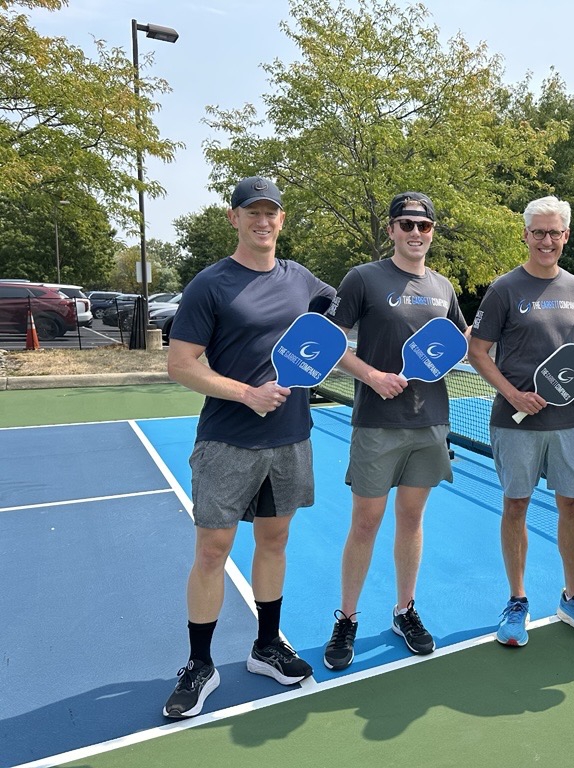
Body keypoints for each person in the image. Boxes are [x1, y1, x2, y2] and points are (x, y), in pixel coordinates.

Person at [162, 176, 336, 718]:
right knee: (212, 551)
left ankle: (266, 646)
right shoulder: (210, 285)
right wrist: (246, 393)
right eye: (252, 211)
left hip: (291, 440)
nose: (263, 221)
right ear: (234, 218)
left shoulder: (301, 279)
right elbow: (181, 364)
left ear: (282, 220)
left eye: (272, 212)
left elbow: (339, 318)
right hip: (227, 440)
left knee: (275, 542)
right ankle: (199, 665)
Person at [322, 192, 468, 670]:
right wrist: (372, 376)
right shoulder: (363, 278)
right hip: (377, 424)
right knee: (365, 522)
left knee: (411, 519)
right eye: (406, 224)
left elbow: (459, 343)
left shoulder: (444, 287)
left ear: (432, 232)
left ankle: (405, 611)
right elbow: (329, 341)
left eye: (424, 226)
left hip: (430, 423)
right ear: (391, 230)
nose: (415, 233)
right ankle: (346, 619)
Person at [467, 195, 574, 647]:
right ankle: (517, 601)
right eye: (539, 232)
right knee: (517, 506)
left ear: (566, 236)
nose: (546, 240)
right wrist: (513, 395)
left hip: (568, 422)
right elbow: (477, 352)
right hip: (514, 423)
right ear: (525, 235)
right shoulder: (503, 289)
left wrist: (567, 386)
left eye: (555, 232)